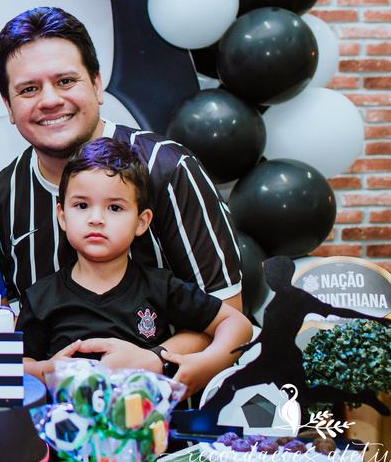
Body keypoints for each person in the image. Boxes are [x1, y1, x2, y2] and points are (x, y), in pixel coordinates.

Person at [0, 7, 243, 396]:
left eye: (66, 80)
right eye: (28, 89)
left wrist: (154, 359)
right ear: (8, 105)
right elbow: (3, 337)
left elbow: (229, 318)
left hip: (167, 418)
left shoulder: (167, 170)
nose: (50, 100)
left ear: (97, 84)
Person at [18, 138, 252, 385]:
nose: (96, 218)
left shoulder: (160, 287)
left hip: (147, 420)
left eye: (115, 208)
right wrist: (49, 369)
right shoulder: (40, 298)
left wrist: (202, 365)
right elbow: (17, 364)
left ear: (142, 222)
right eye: (82, 205)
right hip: (66, 422)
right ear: (62, 217)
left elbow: (237, 324)